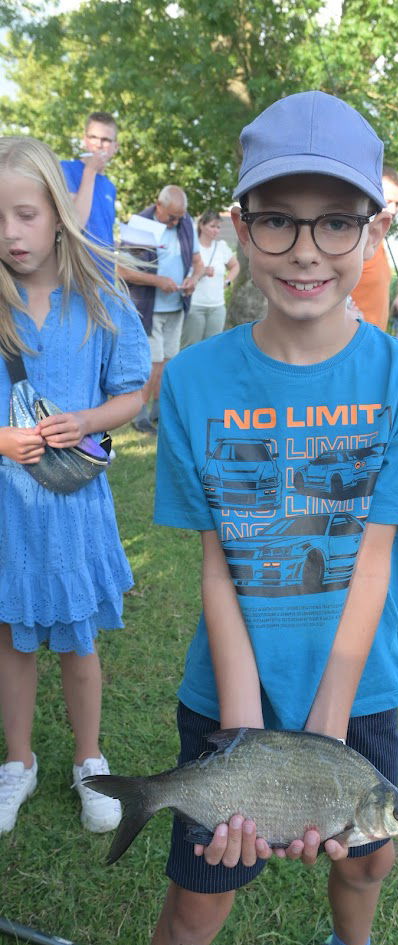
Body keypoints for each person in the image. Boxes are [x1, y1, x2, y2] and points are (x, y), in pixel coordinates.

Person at [152, 90, 398, 945]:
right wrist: (246, 730)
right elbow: (218, 563)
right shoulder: (192, 380)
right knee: (202, 894)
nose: (306, 250)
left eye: (335, 222)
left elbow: (373, 558)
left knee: (365, 860)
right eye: (278, 220)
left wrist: (325, 735)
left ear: (373, 229)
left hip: (360, 690)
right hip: (229, 687)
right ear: (241, 227)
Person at [0, 136, 151, 834]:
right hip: (7, 511)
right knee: (12, 639)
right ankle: (18, 761)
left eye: (25, 214)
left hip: (73, 507)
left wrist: (87, 419)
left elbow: (132, 393)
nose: (11, 232)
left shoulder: (100, 294)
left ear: (58, 214)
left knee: (78, 642)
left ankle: (89, 759)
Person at [118, 185, 204, 434]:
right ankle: (139, 414)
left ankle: (159, 410)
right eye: (172, 217)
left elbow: (198, 263)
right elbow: (122, 270)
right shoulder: (140, 225)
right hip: (148, 307)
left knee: (168, 361)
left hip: (176, 306)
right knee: (152, 363)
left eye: (179, 217)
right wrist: (158, 281)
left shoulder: (185, 224)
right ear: (159, 205)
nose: (176, 222)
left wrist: (193, 279)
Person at [60, 112, 119, 278]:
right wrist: (90, 171)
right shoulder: (65, 169)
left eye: (106, 140)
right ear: (85, 140)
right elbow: (75, 222)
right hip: (76, 276)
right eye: (93, 137)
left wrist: (115, 245)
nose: (99, 145)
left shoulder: (110, 186)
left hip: (105, 276)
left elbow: (100, 231)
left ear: (115, 147)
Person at [348, 166, 398, 331]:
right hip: (351, 341)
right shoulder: (353, 240)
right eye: (388, 201)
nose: (393, 210)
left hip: (373, 341)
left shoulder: (378, 241)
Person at [180, 210, 239, 349]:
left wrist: (227, 281)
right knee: (191, 347)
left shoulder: (221, 247)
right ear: (202, 225)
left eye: (218, 227)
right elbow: (182, 276)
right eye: (212, 226)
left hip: (217, 307)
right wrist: (201, 272)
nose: (216, 230)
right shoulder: (191, 248)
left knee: (213, 348)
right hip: (195, 305)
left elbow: (235, 266)